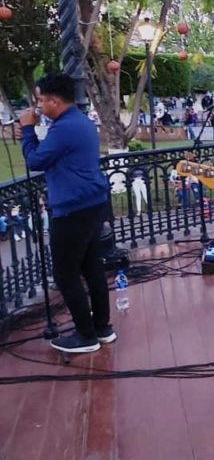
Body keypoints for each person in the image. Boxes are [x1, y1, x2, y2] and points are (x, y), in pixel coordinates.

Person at [16, 72, 114, 354]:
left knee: (65, 273)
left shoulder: (65, 128)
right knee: (90, 266)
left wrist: (27, 129)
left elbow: (35, 160)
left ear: (54, 101)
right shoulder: (78, 121)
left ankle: (86, 335)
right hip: (92, 203)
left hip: (74, 209)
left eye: (41, 101)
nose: (38, 106)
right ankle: (102, 327)